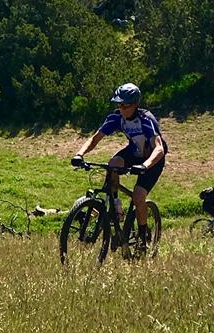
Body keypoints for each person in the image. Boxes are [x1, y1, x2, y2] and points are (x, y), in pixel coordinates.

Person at [71, 82, 166, 247]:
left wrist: (145, 165)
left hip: (153, 159)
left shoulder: (145, 119)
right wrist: (80, 154)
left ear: (135, 104)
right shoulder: (116, 117)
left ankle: (142, 235)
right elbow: (95, 138)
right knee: (113, 164)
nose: (121, 108)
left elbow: (159, 148)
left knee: (138, 196)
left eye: (125, 105)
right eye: (119, 104)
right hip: (133, 152)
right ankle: (116, 205)